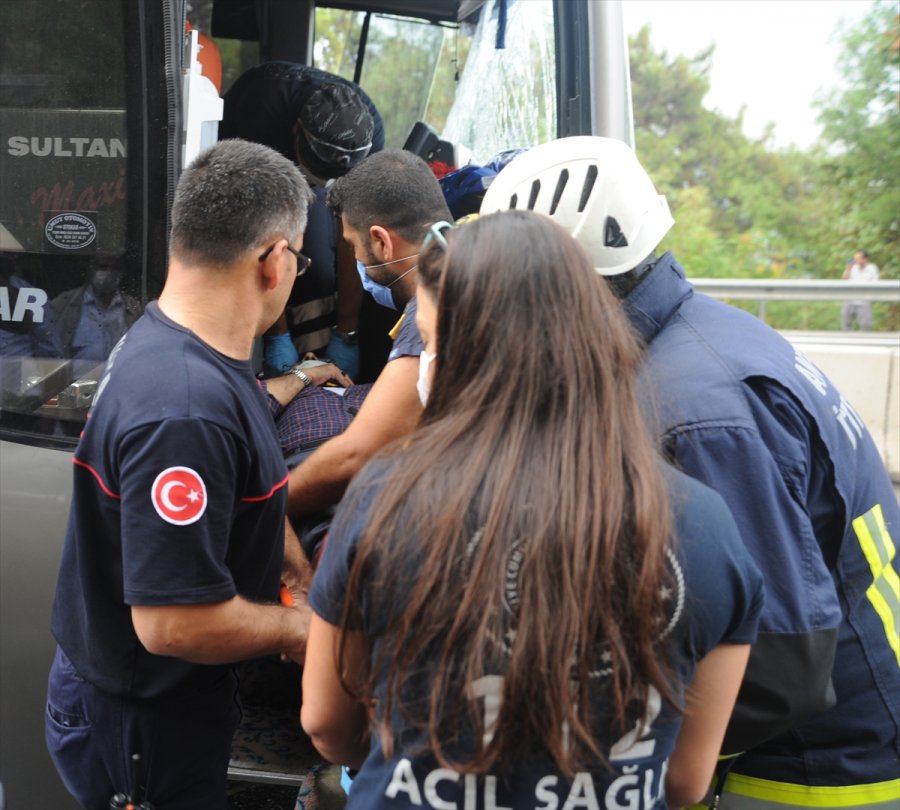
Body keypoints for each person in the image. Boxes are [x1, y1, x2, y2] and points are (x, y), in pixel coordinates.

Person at [481, 136, 900, 807]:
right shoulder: (708, 336)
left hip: (810, 769)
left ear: (563, 285)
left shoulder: (689, 413)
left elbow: (776, 666)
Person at [300, 210, 765, 808]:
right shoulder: (705, 528)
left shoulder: (384, 498)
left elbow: (326, 723)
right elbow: (686, 781)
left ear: (465, 356)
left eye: (432, 342)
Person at [45, 139, 328, 810]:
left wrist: (298, 577)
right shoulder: (185, 409)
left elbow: (239, 491)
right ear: (274, 260)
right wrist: (301, 631)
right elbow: (172, 624)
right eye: (299, 260)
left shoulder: (184, 345)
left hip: (167, 701)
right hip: (143, 723)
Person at [286, 149, 452, 543]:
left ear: (381, 242)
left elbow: (356, 456)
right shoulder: (478, 256)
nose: (356, 258)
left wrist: (263, 508)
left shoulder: (430, 314)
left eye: (353, 245)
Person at [221, 62, 385, 378]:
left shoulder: (370, 133)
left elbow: (352, 230)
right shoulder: (257, 112)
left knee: (320, 272)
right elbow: (259, 231)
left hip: (312, 170)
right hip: (251, 180)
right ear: (296, 130)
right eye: (315, 174)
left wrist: (346, 332)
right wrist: (275, 333)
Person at [52, 258, 140, 368]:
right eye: (102, 267)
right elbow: (51, 350)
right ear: (91, 269)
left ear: (122, 273)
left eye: (114, 268)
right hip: (75, 383)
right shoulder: (65, 303)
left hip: (119, 382)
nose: (108, 273)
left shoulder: (133, 308)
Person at [841, 249, 880, 331]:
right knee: (845, 324)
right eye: (855, 259)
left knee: (866, 326)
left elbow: (875, 284)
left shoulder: (872, 268)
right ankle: (846, 341)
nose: (856, 261)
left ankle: (864, 341)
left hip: (864, 301)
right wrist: (848, 269)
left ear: (865, 259)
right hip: (849, 299)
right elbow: (844, 280)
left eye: (858, 259)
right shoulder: (852, 267)